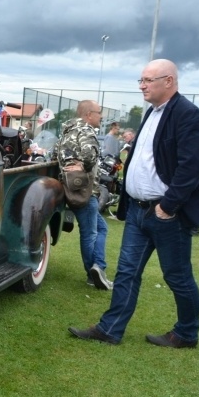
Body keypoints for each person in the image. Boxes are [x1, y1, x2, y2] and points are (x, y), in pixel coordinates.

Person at [69, 59, 199, 348]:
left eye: (148, 80)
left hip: (166, 214)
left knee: (177, 276)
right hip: (137, 210)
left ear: (169, 81)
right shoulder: (152, 112)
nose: (142, 86)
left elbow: (192, 167)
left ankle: (186, 333)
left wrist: (167, 206)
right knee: (126, 272)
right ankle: (110, 329)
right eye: (141, 80)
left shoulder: (187, 114)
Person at [53, 100, 112, 290]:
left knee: (100, 229)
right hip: (87, 191)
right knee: (90, 233)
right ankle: (93, 272)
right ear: (88, 114)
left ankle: (98, 267)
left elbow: (55, 155)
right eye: (99, 112)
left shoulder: (66, 132)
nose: (101, 116)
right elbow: (89, 156)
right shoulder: (86, 130)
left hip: (71, 190)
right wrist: (84, 166)